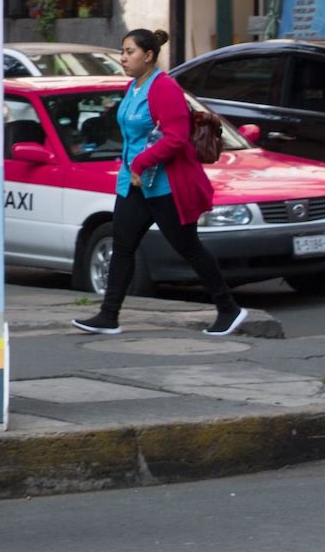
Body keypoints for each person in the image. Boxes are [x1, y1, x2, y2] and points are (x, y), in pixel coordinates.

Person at [72, 29, 246, 337]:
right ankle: (108, 316)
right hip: (134, 184)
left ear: (148, 55)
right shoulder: (133, 88)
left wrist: (141, 162)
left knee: (188, 247)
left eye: (129, 52)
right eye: (122, 51)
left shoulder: (164, 88)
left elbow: (176, 138)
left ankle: (229, 310)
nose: (123, 58)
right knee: (122, 245)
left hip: (164, 186)